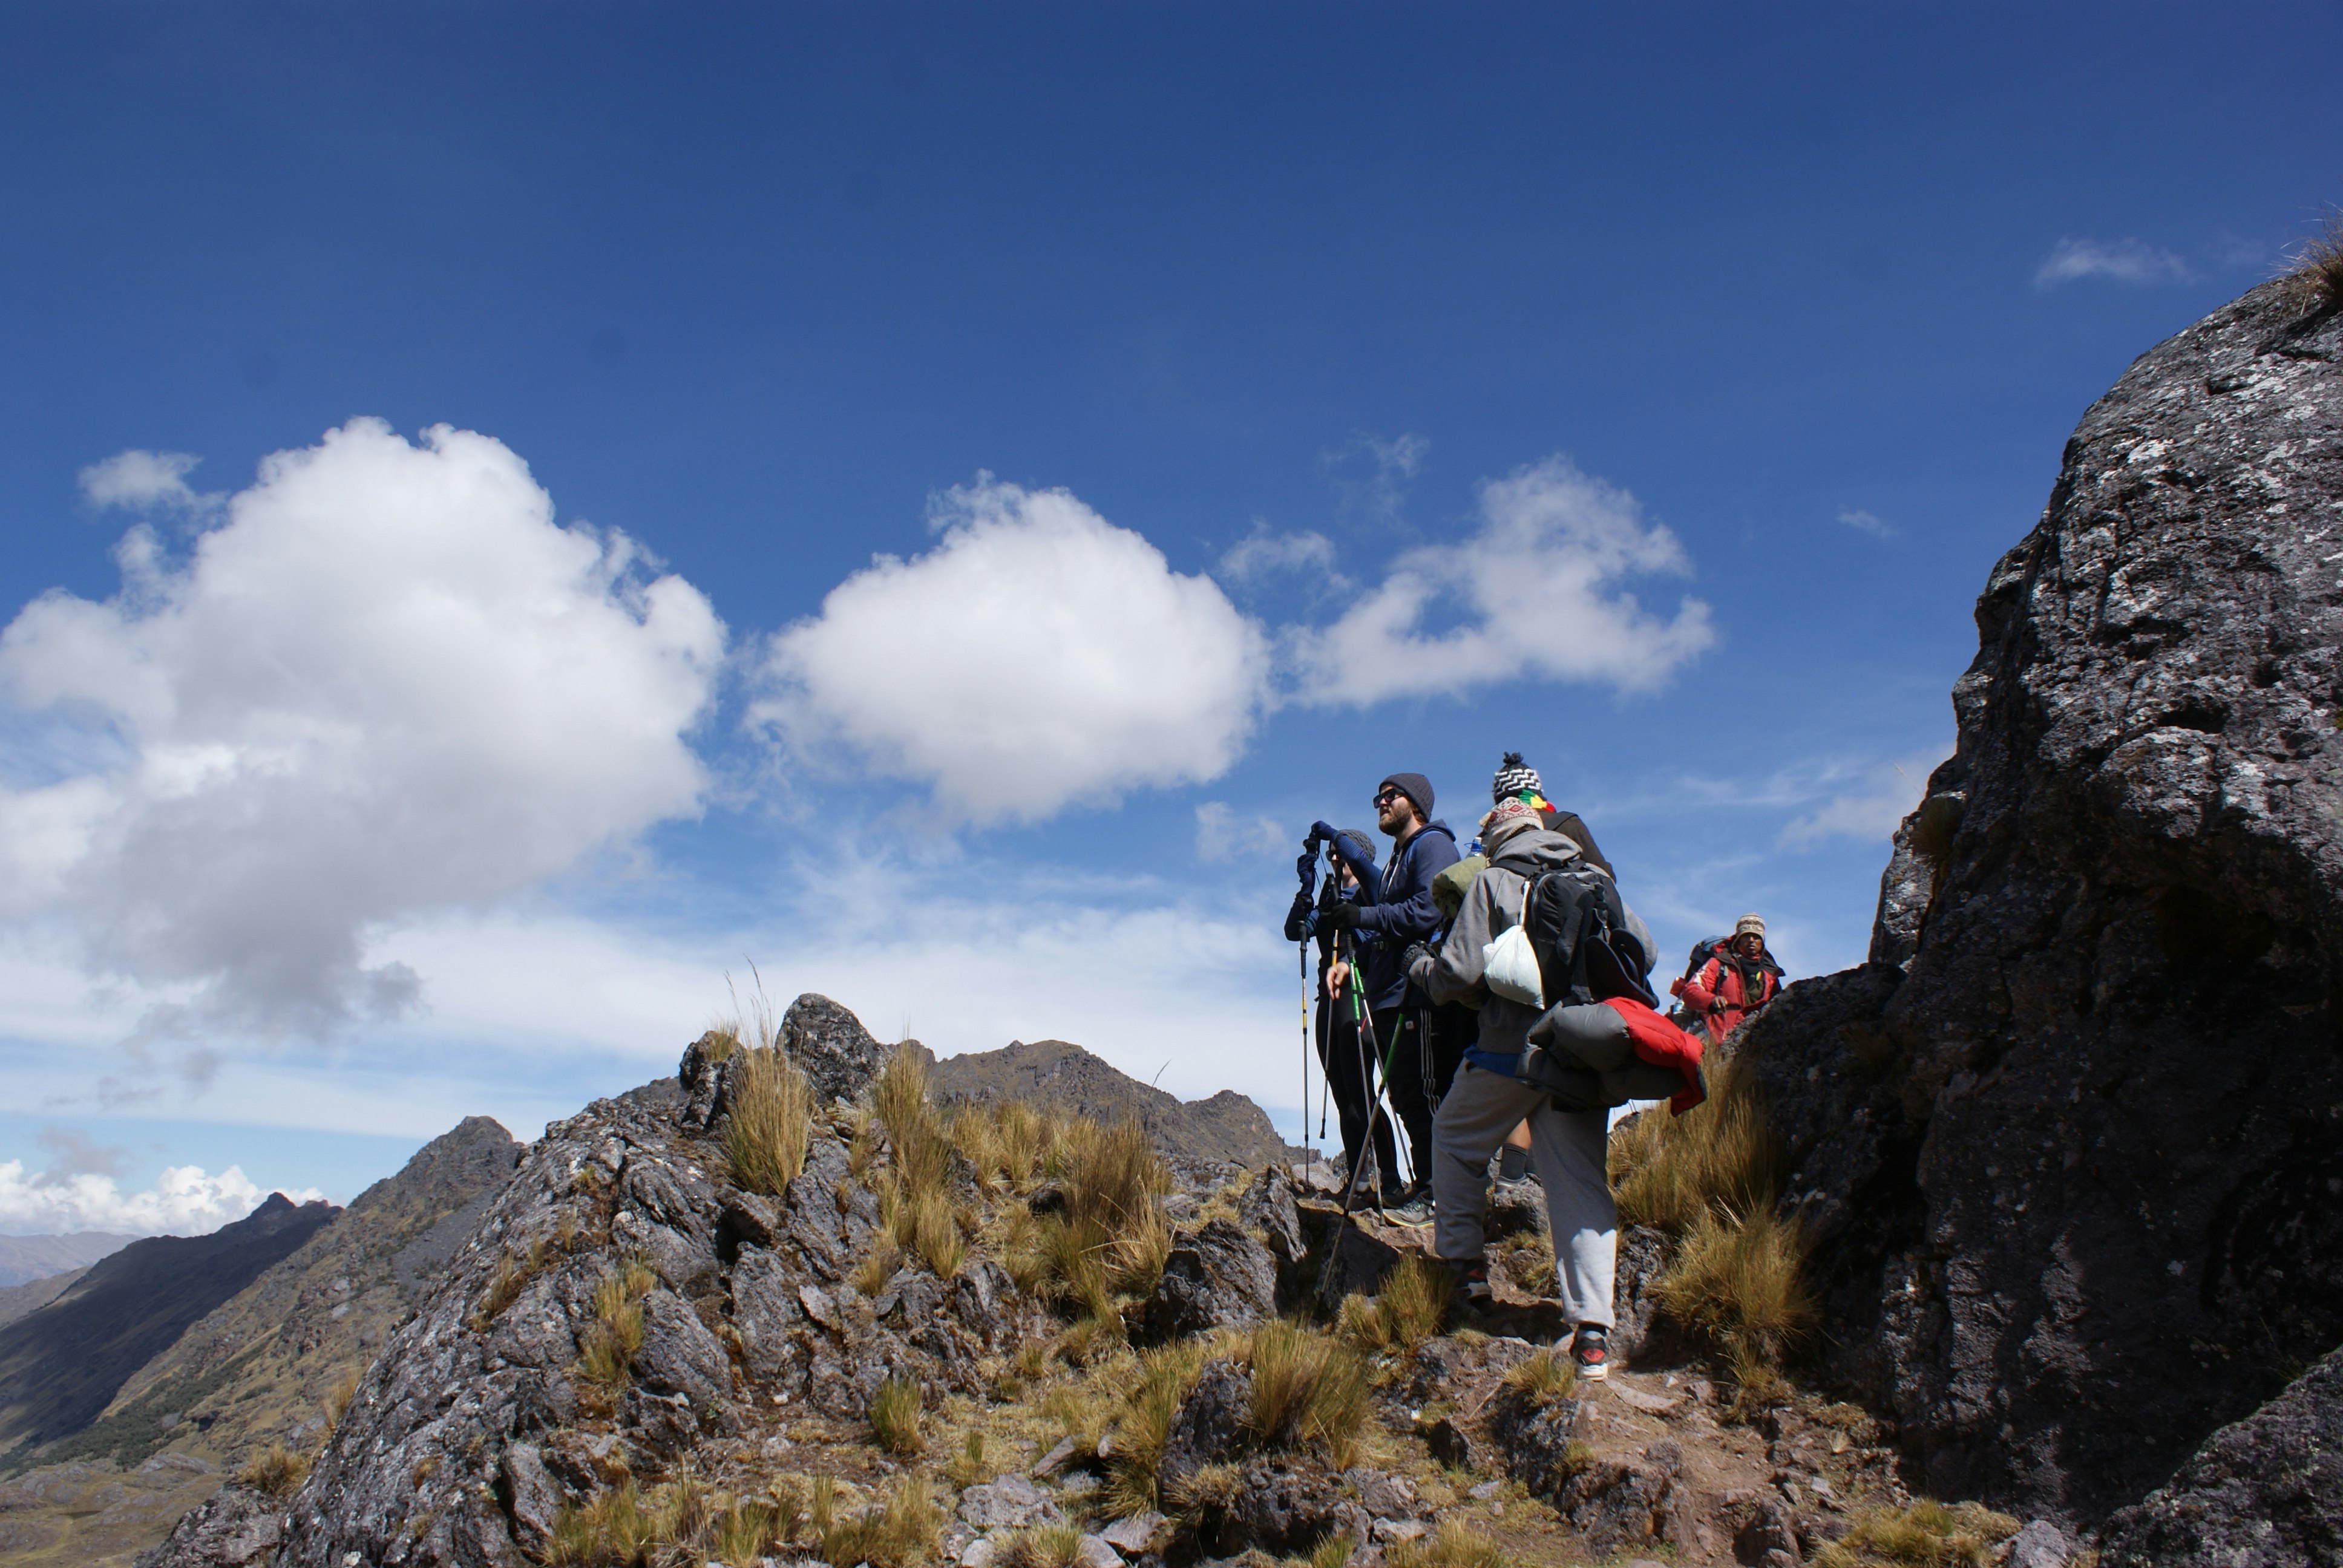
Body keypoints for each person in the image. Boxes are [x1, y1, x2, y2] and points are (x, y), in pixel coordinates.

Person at [1406, 794, 1660, 1382]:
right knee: (1578, 1183)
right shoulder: (1595, 879)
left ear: (1496, 836)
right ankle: (1592, 1333)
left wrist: (1421, 967)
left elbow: (1457, 975)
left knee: (1453, 1140)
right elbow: (1642, 951)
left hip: (1506, 1054)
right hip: (1577, 1054)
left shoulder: (1493, 881)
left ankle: (1466, 1270)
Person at [1316, 772, 1458, 1223]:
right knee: (1406, 1097)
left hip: (1417, 992)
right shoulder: (1401, 855)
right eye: (1378, 796)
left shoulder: (1432, 845)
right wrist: (1349, 964)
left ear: (1415, 803)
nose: (1380, 801)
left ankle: (1438, 1193)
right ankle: (1425, 1189)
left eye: (1390, 795)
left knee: (1424, 1093)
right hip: (1389, 995)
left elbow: (1428, 910)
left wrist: (1365, 914)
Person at [1283, 829, 1400, 1200]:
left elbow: (1370, 935)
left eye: (1341, 854)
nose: (1335, 859)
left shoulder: (1372, 894)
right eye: (1331, 854)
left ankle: (1390, 1178)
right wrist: (1305, 890)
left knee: (1361, 1091)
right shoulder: (1330, 897)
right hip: (1329, 1000)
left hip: (1359, 994)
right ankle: (1359, 1176)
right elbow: (1295, 930)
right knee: (1342, 1092)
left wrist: (1333, 836)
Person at [1677, 913, 1784, 1047]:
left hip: (1752, 1048)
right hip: (1715, 1043)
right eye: (1746, 935)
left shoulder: (1770, 974)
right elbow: (1691, 990)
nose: (1751, 940)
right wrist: (1710, 1001)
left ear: (1762, 941)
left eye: (1756, 937)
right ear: (1738, 939)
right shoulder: (1718, 963)